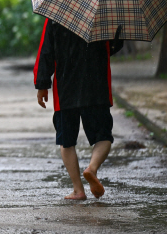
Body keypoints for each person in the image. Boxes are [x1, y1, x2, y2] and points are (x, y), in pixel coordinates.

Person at [34, 19, 123, 200]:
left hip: (66, 87)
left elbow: (46, 51)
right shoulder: (105, 12)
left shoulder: (55, 15)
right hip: (97, 85)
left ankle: (78, 190)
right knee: (103, 136)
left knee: (66, 141)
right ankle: (92, 168)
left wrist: (42, 84)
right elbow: (116, 43)